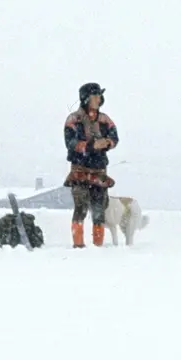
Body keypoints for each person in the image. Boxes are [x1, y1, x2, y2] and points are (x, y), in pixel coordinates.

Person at [63, 82, 119, 247]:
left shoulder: (105, 120)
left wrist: (107, 143)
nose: (98, 98)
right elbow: (70, 142)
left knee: (99, 210)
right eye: (95, 95)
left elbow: (115, 138)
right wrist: (90, 145)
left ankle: (98, 245)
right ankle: (78, 244)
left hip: (99, 170)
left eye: (99, 95)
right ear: (86, 98)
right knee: (80, 208)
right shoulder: (73, 119)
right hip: (79, 169)